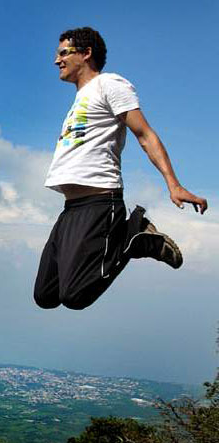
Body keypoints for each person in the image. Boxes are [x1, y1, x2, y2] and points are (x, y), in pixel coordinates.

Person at [33, 27, 207, 311]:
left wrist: (173, 184)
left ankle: (137, 237)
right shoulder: (79, 100)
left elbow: (145, 135)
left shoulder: (111, 84)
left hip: (100, 203)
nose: (57, 61)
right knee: (46, 295)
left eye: (64, 53)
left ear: (86, 53)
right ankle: (130, 239)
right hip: (71, 210)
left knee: (75, 297)